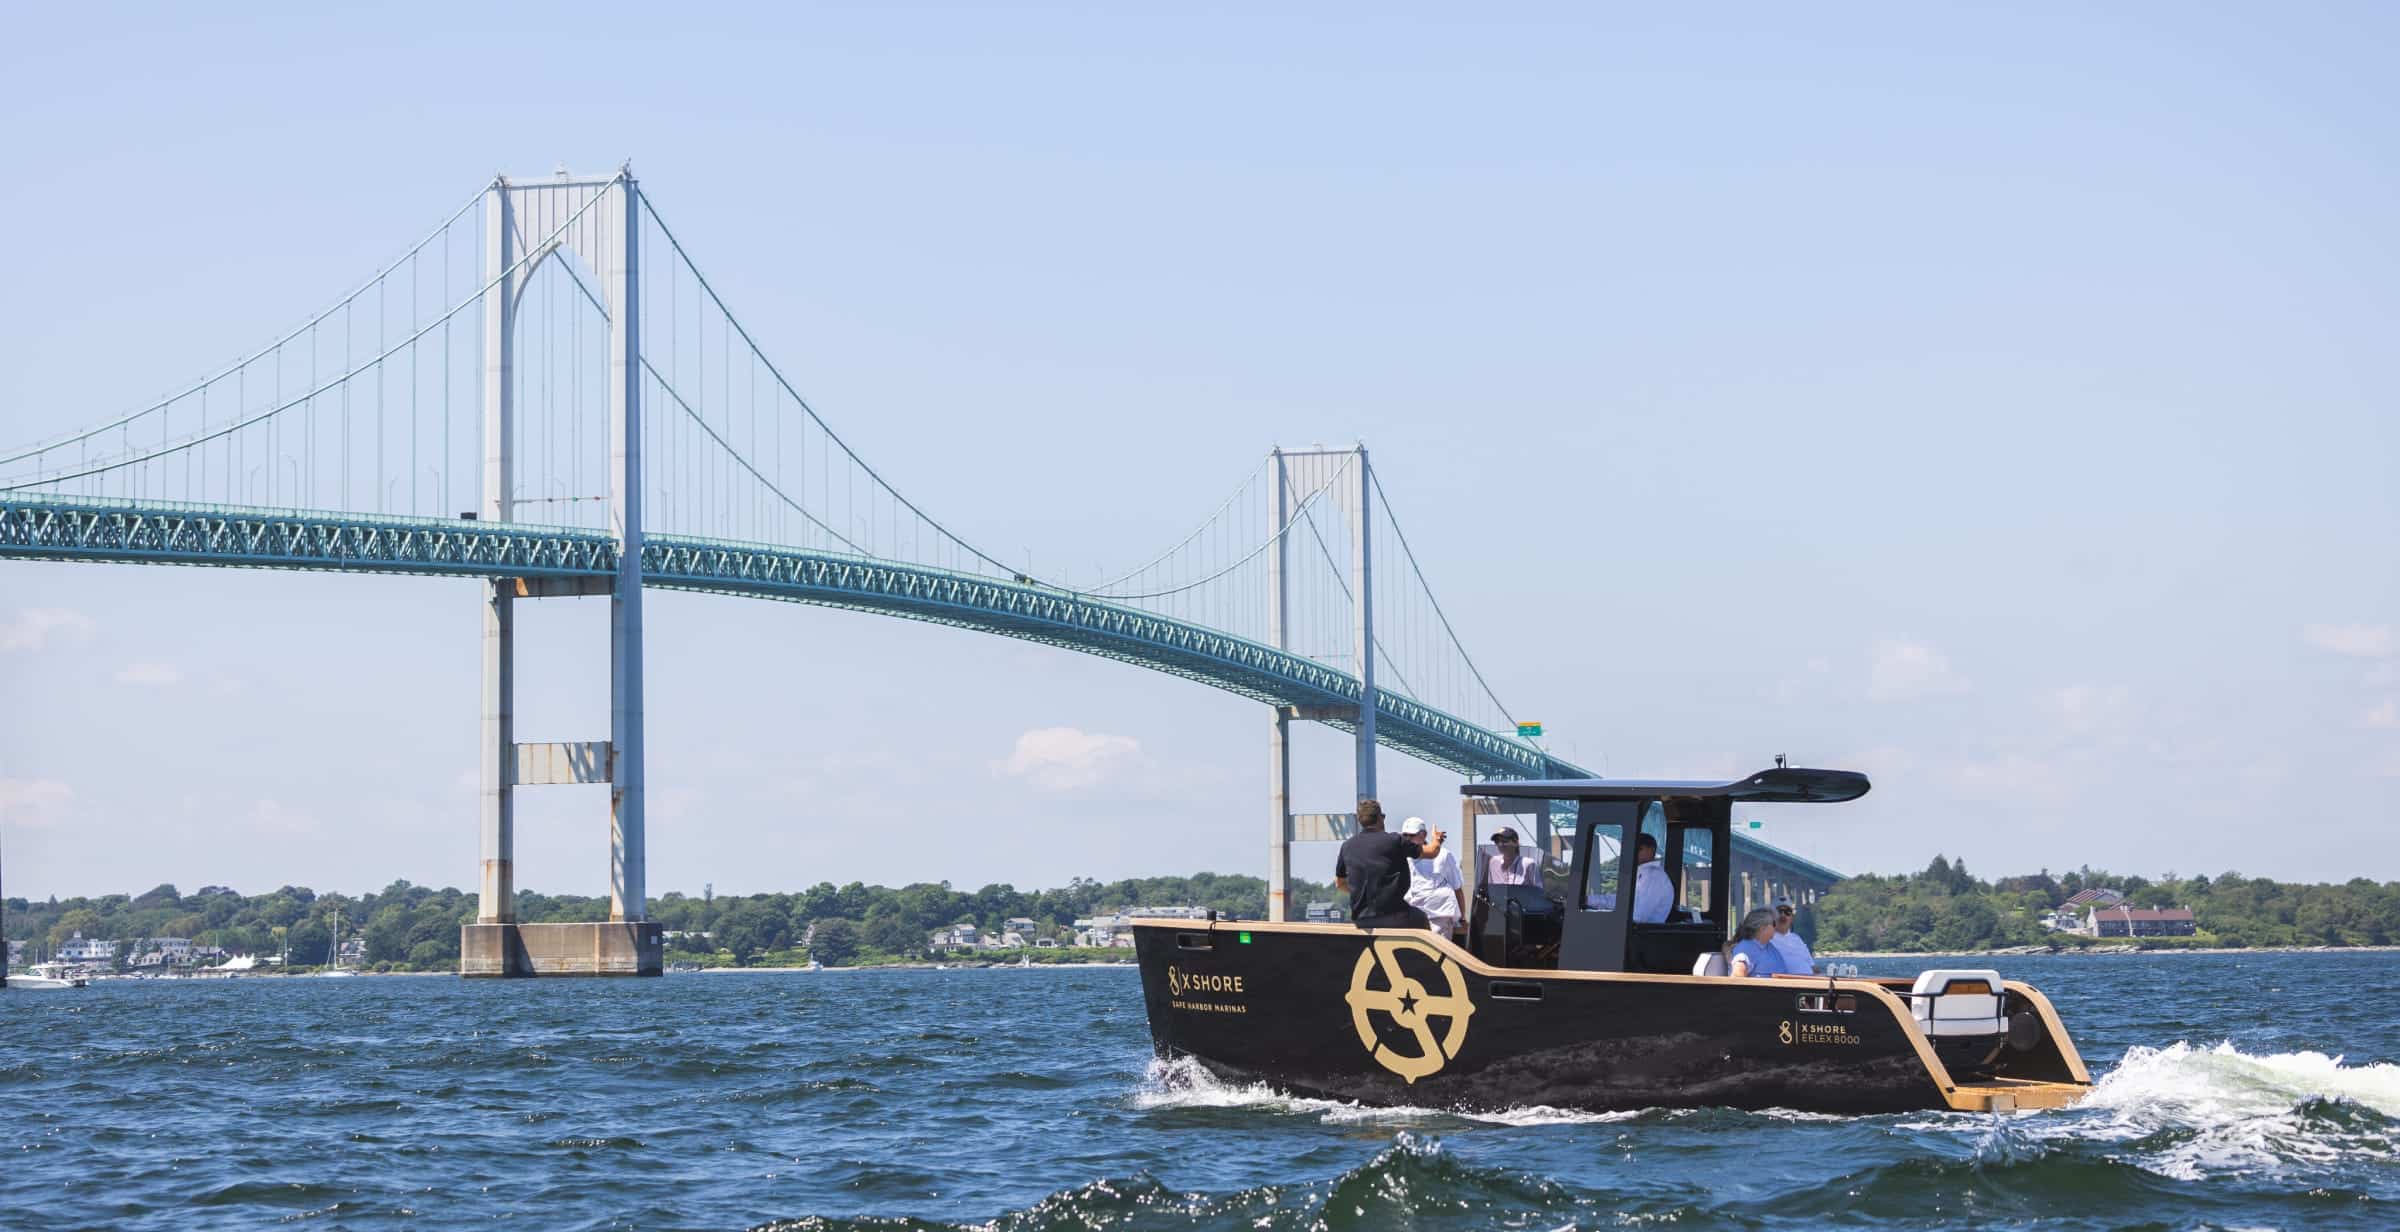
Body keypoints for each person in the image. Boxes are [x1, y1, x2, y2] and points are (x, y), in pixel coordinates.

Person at [1333, 799, 1428, 930]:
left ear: (1359, 820)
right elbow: (1432, 852)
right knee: (1420, 918)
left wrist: (1361, 891)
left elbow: (1339, 883)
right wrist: (1437, 841)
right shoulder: (1394, 840)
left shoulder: (1347, 846)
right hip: (1394, 917)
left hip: (1362, 921)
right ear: (1380, 818)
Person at [1400, 817, 1465, 936]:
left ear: (1423, 835)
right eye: (1405, 835)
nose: (1408, 839)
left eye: (1412, 835)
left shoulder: (1444, 855)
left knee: (1440, 953)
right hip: (1412, 914)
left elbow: (1457, 887)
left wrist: (1462, 918)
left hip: (1439, 913)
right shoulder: (1402, 856)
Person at [1725, 907, 1787, 978]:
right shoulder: (1746, 948)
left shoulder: (1769, 947)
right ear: (1762, 927)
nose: (1776, 927)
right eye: (1774, 923)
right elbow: (1737, 976)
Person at [1630, 834, 1673, 924]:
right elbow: (1623, 900)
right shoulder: (1643, 873)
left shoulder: (1654, 876)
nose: (1633, 851)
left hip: (1642, 935)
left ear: (1651, 850)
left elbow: (1639, 917)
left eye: (1639, 848)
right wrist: (1594, 900)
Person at [1770, 901, 1815, 974]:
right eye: (1779, 912)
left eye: (1787, 912)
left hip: (1809, 981)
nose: (1783, 915)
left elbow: (1813, 967)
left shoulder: (1797, 939)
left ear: (1792, 918)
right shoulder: (1767, 938)